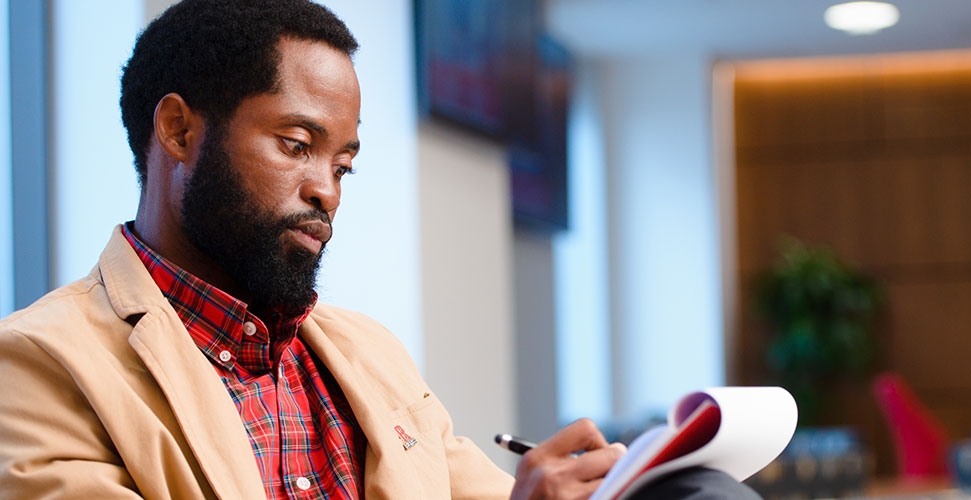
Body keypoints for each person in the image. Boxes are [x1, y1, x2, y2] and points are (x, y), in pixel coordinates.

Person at [0, 1, 762, 499]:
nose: (327, 191)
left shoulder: (367, 355)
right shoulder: (38, 364)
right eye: (297, 145)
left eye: (342, 165)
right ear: (178, 131)